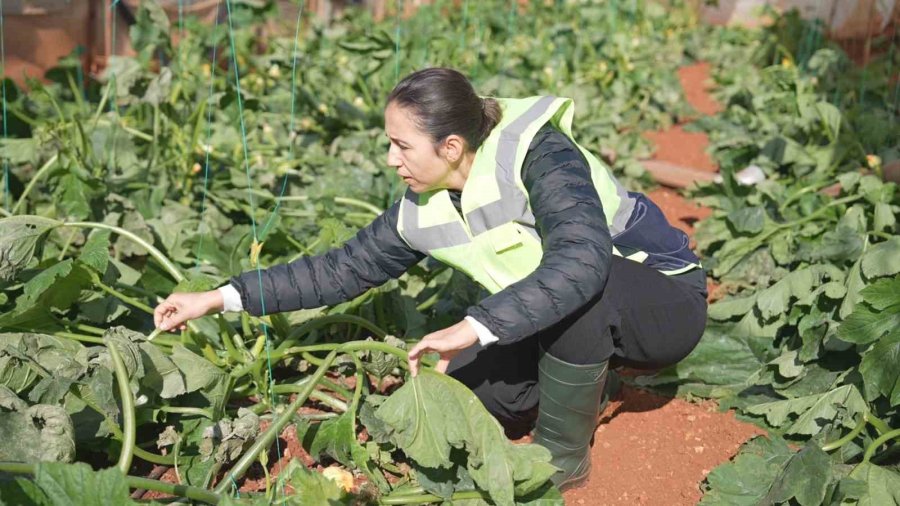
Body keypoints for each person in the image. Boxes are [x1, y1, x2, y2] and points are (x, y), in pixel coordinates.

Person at [154, 67, 708, 491]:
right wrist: (219, 298)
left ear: (450, 146)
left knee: (584, 286)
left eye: (401, 144)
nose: (391, 158)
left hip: (660, 304)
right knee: (471, 397)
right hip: (550, 315)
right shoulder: (424, 205)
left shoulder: (539, 155)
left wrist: (477, 324)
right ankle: (592, 377)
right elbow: (339, 270)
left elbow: (583, 260)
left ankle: (562, 458)